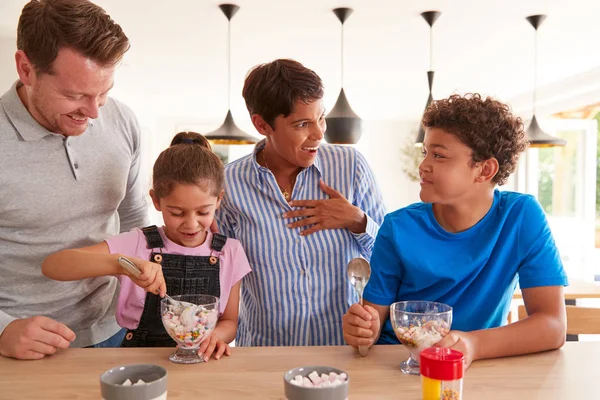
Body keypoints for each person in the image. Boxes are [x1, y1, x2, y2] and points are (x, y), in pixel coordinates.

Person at [342, 94, 568, 367]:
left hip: (480, 365)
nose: (423, 165)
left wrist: (472, 344)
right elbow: (374, 319)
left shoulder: (521, 217)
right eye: (425, 152)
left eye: (439, 155)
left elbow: (552, 325)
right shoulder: (397, 227)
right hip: (400, 365)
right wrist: (363, 329)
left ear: (484, 169)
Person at [0, 0, 149, 359]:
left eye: (104, 93)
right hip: (22, 346)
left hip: (114, 329)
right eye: (75, 95)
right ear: (26, 68)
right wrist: (2, 328)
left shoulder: (122, 121)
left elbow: (133, 220)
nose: (95, 112)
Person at [216, 59, 386, 346]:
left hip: (342, 351)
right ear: (262, 124)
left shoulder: (351, 167)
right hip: (264, 353)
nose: (319, 133)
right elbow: (216, 268)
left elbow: (390, 257)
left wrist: (358, 221)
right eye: (302, 124)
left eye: (321, 118)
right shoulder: (229, 185)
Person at [43, 132, 251, 361]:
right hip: (138, 362)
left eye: (203, 212)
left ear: (219, 200)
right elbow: (53, 266)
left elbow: (230, 321)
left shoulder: (229, 252)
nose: (191, 224)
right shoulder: (138, 244)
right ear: (156, 201)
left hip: (201, 362)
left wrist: (217, 335)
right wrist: (122, 264)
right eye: (176, 213)